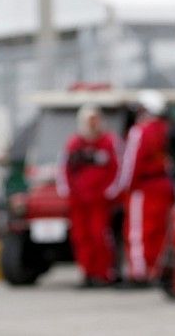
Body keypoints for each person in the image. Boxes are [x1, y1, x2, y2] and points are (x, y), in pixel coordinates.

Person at [105, 90, 173, 286]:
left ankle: (140, 273)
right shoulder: (167, 129)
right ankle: (157, 271)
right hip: (164, 186)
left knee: (138, 232)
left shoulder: (140, 131)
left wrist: (123, 189)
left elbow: (131, 164)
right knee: (160, 231)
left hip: (142, 188)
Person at [56, 105, 119, 287]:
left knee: (100, 236)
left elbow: (118, 168)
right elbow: (64, 169)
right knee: (81, 237)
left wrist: (110, 191)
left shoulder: (108, 142)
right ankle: (88, 273)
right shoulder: (74, 144)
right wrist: (67, 191)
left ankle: (104, 273)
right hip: (79, 201)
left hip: (99, 201)